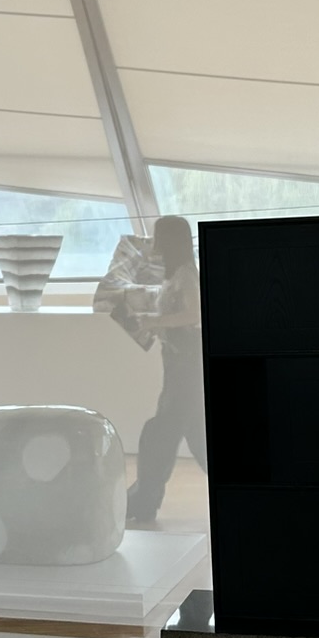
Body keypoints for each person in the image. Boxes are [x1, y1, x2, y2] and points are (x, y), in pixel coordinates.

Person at [124, 215, 205, 528]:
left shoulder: (186, 275)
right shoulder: (174, 275)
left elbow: (194, 314)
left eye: (159, 237)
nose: (154, 243)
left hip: (187, 366)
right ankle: (145, 499)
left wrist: (155, 321)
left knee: (160, 433)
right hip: (176, 363)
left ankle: (144, 500)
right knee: (197, 436)